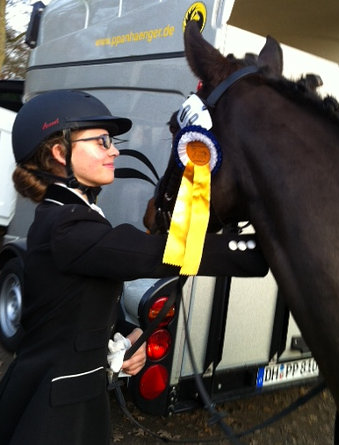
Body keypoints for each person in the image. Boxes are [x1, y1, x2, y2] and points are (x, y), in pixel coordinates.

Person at [0, 90, 267, 445]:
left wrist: (128, 333)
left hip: (75, 399)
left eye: (112, 141)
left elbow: (71, 308)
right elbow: (157, 253)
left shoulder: (71, 217)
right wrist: (267, 248)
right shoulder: (65, 226)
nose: (115, 151)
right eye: (102, 141)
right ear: (60, 153)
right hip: (52, 413)